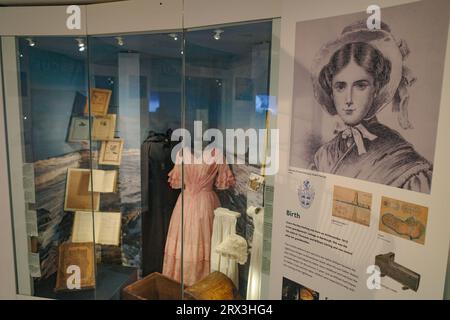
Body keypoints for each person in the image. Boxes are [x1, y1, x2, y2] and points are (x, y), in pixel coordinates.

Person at [310, 20, 432, 193]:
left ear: (376, 89)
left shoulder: (403, 161)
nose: (349, 99)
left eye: (360, 85)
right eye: (340, 86)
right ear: (331, 91)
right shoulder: (323, 154)